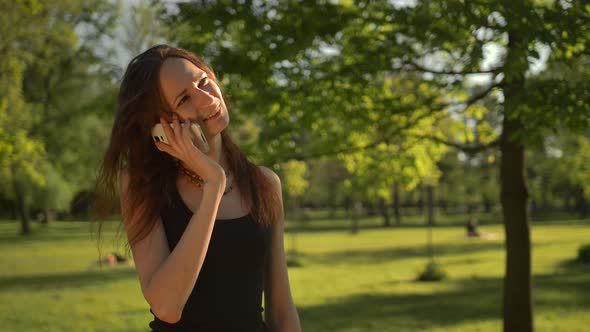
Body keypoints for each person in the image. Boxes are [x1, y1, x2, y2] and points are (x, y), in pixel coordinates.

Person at [93, 45, 301, 332]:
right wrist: (213, 185)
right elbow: (167, 307)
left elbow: (282, 310)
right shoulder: (142, 183)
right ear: (162, 125)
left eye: (203, 82)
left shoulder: (264, 184)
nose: (206, 99)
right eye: (184, 99)